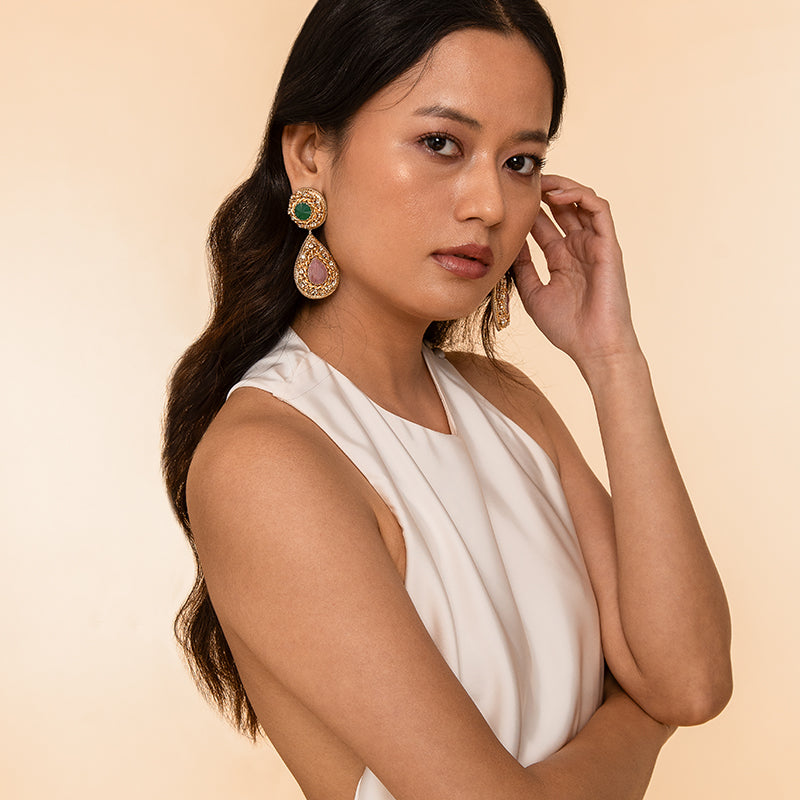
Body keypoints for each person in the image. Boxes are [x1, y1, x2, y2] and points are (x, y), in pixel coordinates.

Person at [162, 1, 732, 798]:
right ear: (310, 155)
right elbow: (656, 704)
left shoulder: (509, 406)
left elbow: (693, 680)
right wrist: (641, 715)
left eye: (521, 161)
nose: (490, 205)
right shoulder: (265, 461)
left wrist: (612, 361)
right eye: (440, 144)